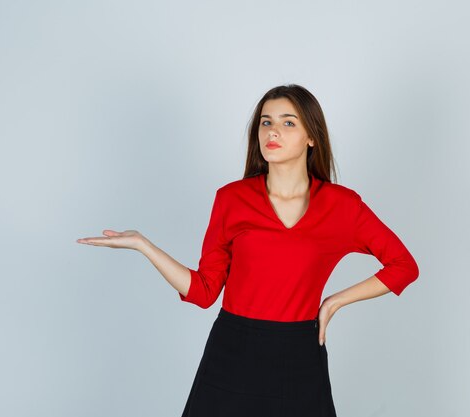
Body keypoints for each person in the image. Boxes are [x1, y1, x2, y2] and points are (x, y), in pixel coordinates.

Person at [76, 84, 420, 416]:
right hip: (232, 350)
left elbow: (403, 266)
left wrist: (334, 302)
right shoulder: (231, 199)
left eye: (288, 122)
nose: (273, 131)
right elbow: (203, 291)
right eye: (266, 122)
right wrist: (143, 245)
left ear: (311, 137)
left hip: (300, 354)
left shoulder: (342, 206)